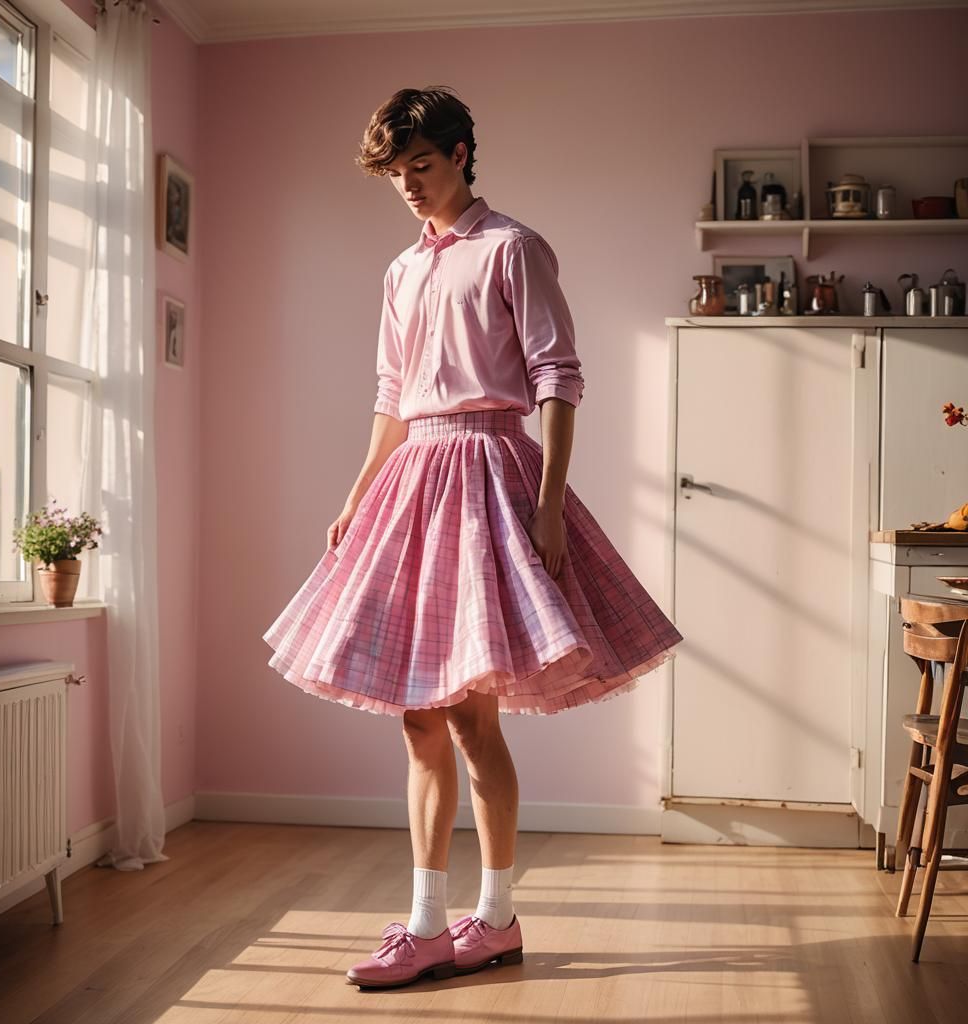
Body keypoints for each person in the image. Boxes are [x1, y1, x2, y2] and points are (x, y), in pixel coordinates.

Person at [262, 86, 683, 990]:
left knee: (465, 715)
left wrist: (551, 502)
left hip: (491, 473)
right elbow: (391, 393)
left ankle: (488, 916)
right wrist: (355, 492)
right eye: (394, 173)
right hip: (414, 479)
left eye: (422, 165)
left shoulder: (513, 247)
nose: (409, 186)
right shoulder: (400, 270)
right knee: (419, 717)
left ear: (460, 154)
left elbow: (557, 377)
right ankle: (434, 919)